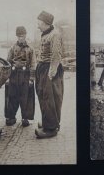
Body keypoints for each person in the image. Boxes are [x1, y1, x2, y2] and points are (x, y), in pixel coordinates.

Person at [35, 11, 64, 139]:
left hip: (50, 70)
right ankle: (49, 122)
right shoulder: (46, 34)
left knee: (50, 98)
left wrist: (51, 74)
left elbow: (56, 56)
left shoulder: (55, 35)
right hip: (43, 68)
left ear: (46, 24)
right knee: (43, 96)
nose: (38, 26)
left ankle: (51, 128)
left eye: (39, 23)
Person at [5, 26, 36, 127]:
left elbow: (33, 64)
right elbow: (8, 62)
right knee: (12, 96)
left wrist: (31, 79)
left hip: (25, 76)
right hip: (14, 75)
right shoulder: (13, 48)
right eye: (19, 36)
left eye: (22, 36)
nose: (20, 38)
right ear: (17, 37)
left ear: (25, 35)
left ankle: (25, 118)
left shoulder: (30, 49)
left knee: (25, 97)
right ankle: (11, 117)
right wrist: (7, 78)